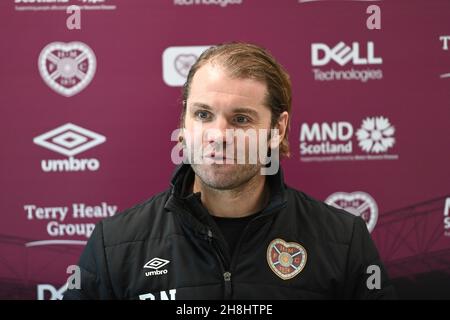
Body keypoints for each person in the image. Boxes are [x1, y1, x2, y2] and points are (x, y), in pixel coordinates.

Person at [64, 42, 395, 300]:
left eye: (241, 119)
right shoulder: (116, 245)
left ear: (278, 128)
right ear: (183, 122)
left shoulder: (343, 240)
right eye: (203, 115)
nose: (218, 136)